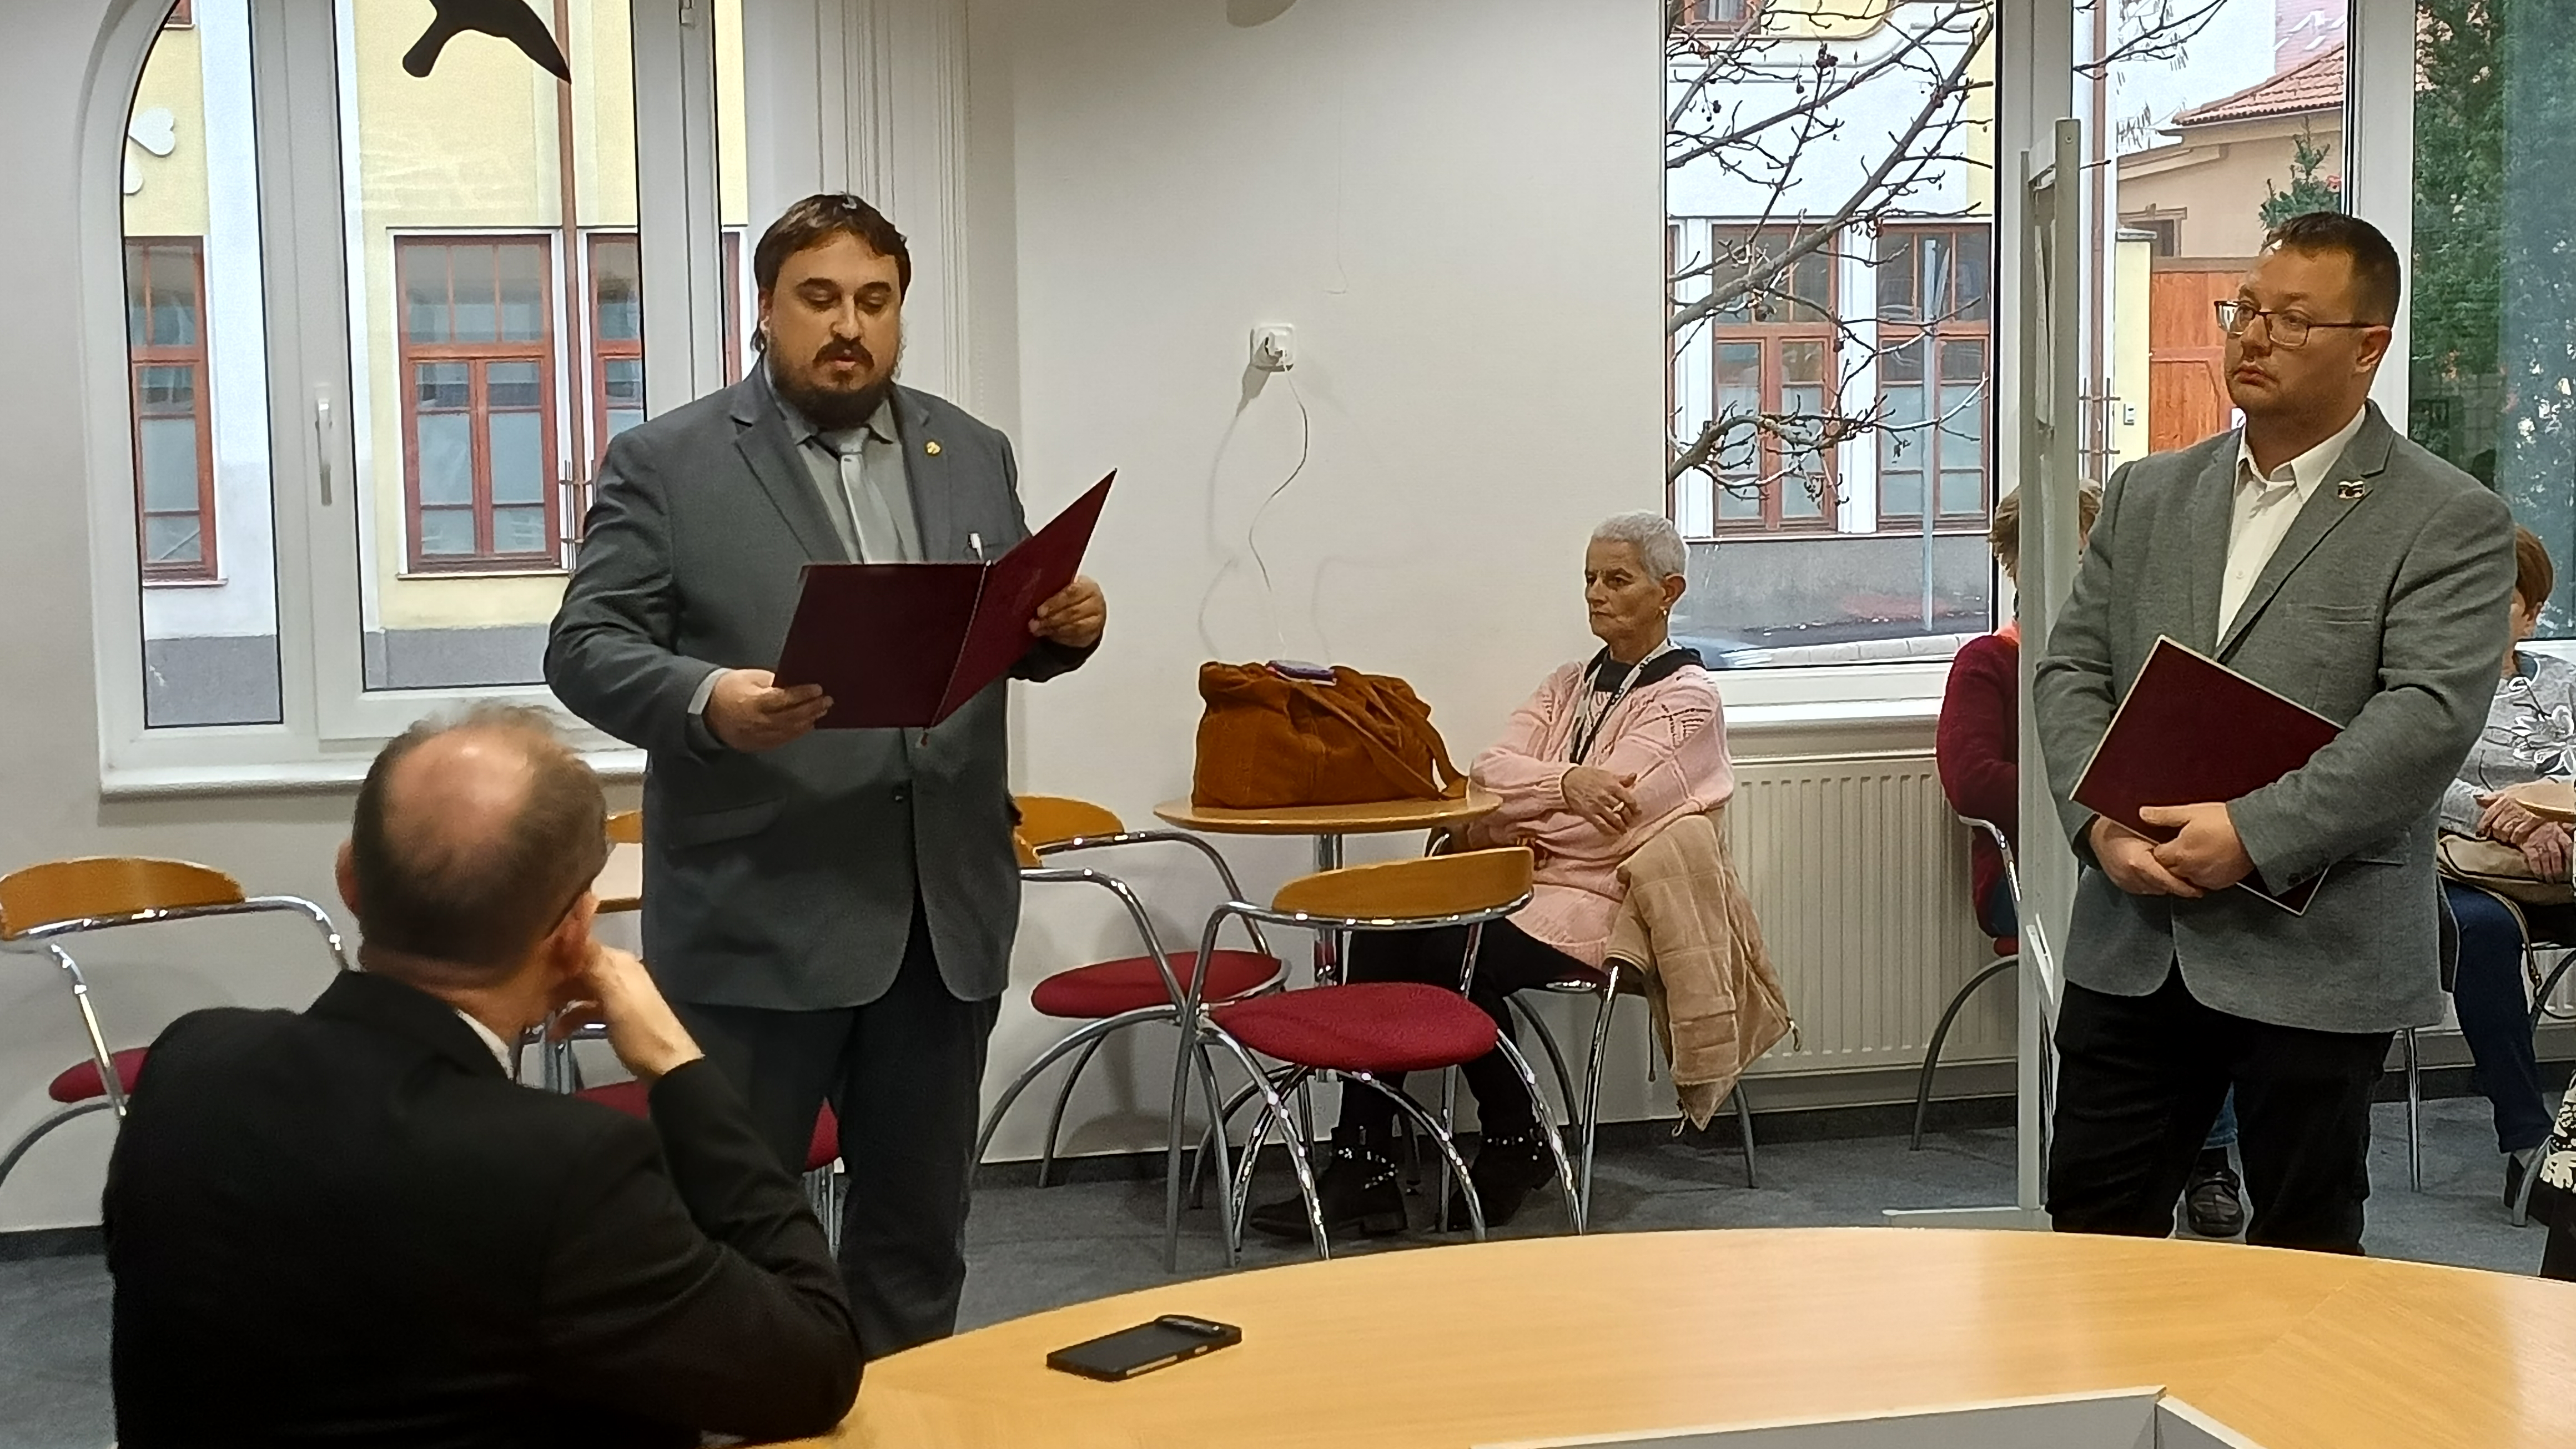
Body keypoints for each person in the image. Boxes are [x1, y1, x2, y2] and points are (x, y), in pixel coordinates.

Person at [545, 194, 1106, 1359]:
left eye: (873, 300)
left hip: (939, 923)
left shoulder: (972, 451)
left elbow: (991, 631)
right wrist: (708, 698)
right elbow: (585, 647)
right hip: (757, 920)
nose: (848, 326)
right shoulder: (667, 462)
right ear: (764, 309)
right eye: (819, 299)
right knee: (733, 1243)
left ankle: (897, 1422)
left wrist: (1061, 630)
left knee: (919, 1240)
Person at [104, 707, 860, 1447]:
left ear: (349, 881)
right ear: (575, 932)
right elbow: (815, 1362)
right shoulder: (565, 1171)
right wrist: (675, 1063)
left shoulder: (189, 1068)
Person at [2033, 211, 2515, 1255]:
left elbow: (2426, 719)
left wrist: (2254, 832)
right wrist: (2098, 826)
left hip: (2319, 948)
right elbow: (2072, 670)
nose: (2252, 336)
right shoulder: (2148, 492)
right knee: (2089, 1240)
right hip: (2135, 932)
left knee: (2303, 1254)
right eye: (2245, 309)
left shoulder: (2448, 518)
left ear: (2369, 346)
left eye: (2292, 320)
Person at [1248, 511, 1734, 1239]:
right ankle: (1361, 1164)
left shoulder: (1688, 701)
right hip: (1517, 883)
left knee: (1454, 953)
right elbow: (1486, 772)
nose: (1596, 593)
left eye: (1617, 579)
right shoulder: (1567, 682)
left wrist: (1519, 820)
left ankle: (1516, 1136)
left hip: (1603, 900)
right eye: (1589, 578)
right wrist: (1565, 786)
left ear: (1669, 592)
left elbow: (1607, 826)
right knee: (1382, 934)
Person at [1939, 484, 2252, 1240]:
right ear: (2013, 562)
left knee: (2210, 918)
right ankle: (2194, 1159)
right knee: (2163, 916)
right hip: (2030, 873)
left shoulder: (2136, 659)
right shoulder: (1987, 663)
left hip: (2146, 853)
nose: (2077, 567)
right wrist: (2098, 804)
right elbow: (1972, 780)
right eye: (2056, 553)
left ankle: (2209, 1156)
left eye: (2090, 553)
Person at [2436, 526, 2573, 1213]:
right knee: (2480, 934)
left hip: (2565, 854)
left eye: (2502, 599)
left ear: (2531, 613)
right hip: (2465, 864)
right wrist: (2507, 819)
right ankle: (2527, 1143)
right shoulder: (2426, 686)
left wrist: (2553, 822)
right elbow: (2413, 777)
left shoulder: (2565, 682)